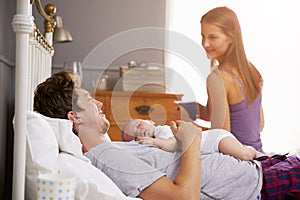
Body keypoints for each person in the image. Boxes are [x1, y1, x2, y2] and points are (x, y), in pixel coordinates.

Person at [33, 70, 300, 199]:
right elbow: (183, 198)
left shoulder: (111, 150)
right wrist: (192, 140)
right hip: (259, 185)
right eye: (91, 100)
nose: (100, 104)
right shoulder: (107, 158)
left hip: (256, 169)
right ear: (74, 117)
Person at [179, 6, 265, 153]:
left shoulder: (218, 78)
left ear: (231, 37)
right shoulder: (252, 72)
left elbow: (220, 136)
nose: (205, 44)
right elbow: (258, 124)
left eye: (213, 37)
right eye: (203, 36)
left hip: (236, 159)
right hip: (258, 155)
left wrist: (187, 131)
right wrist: (196, 109)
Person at [122, 118, 263, 160]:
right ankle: (262, 156)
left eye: (138, 125)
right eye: (135, 136)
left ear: (150, 121)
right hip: (213, 146)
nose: (139, 131)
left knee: (245, 155)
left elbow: (174, 144)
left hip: (216, 139)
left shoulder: (161, 131)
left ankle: (251, 149)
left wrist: (153, 141)